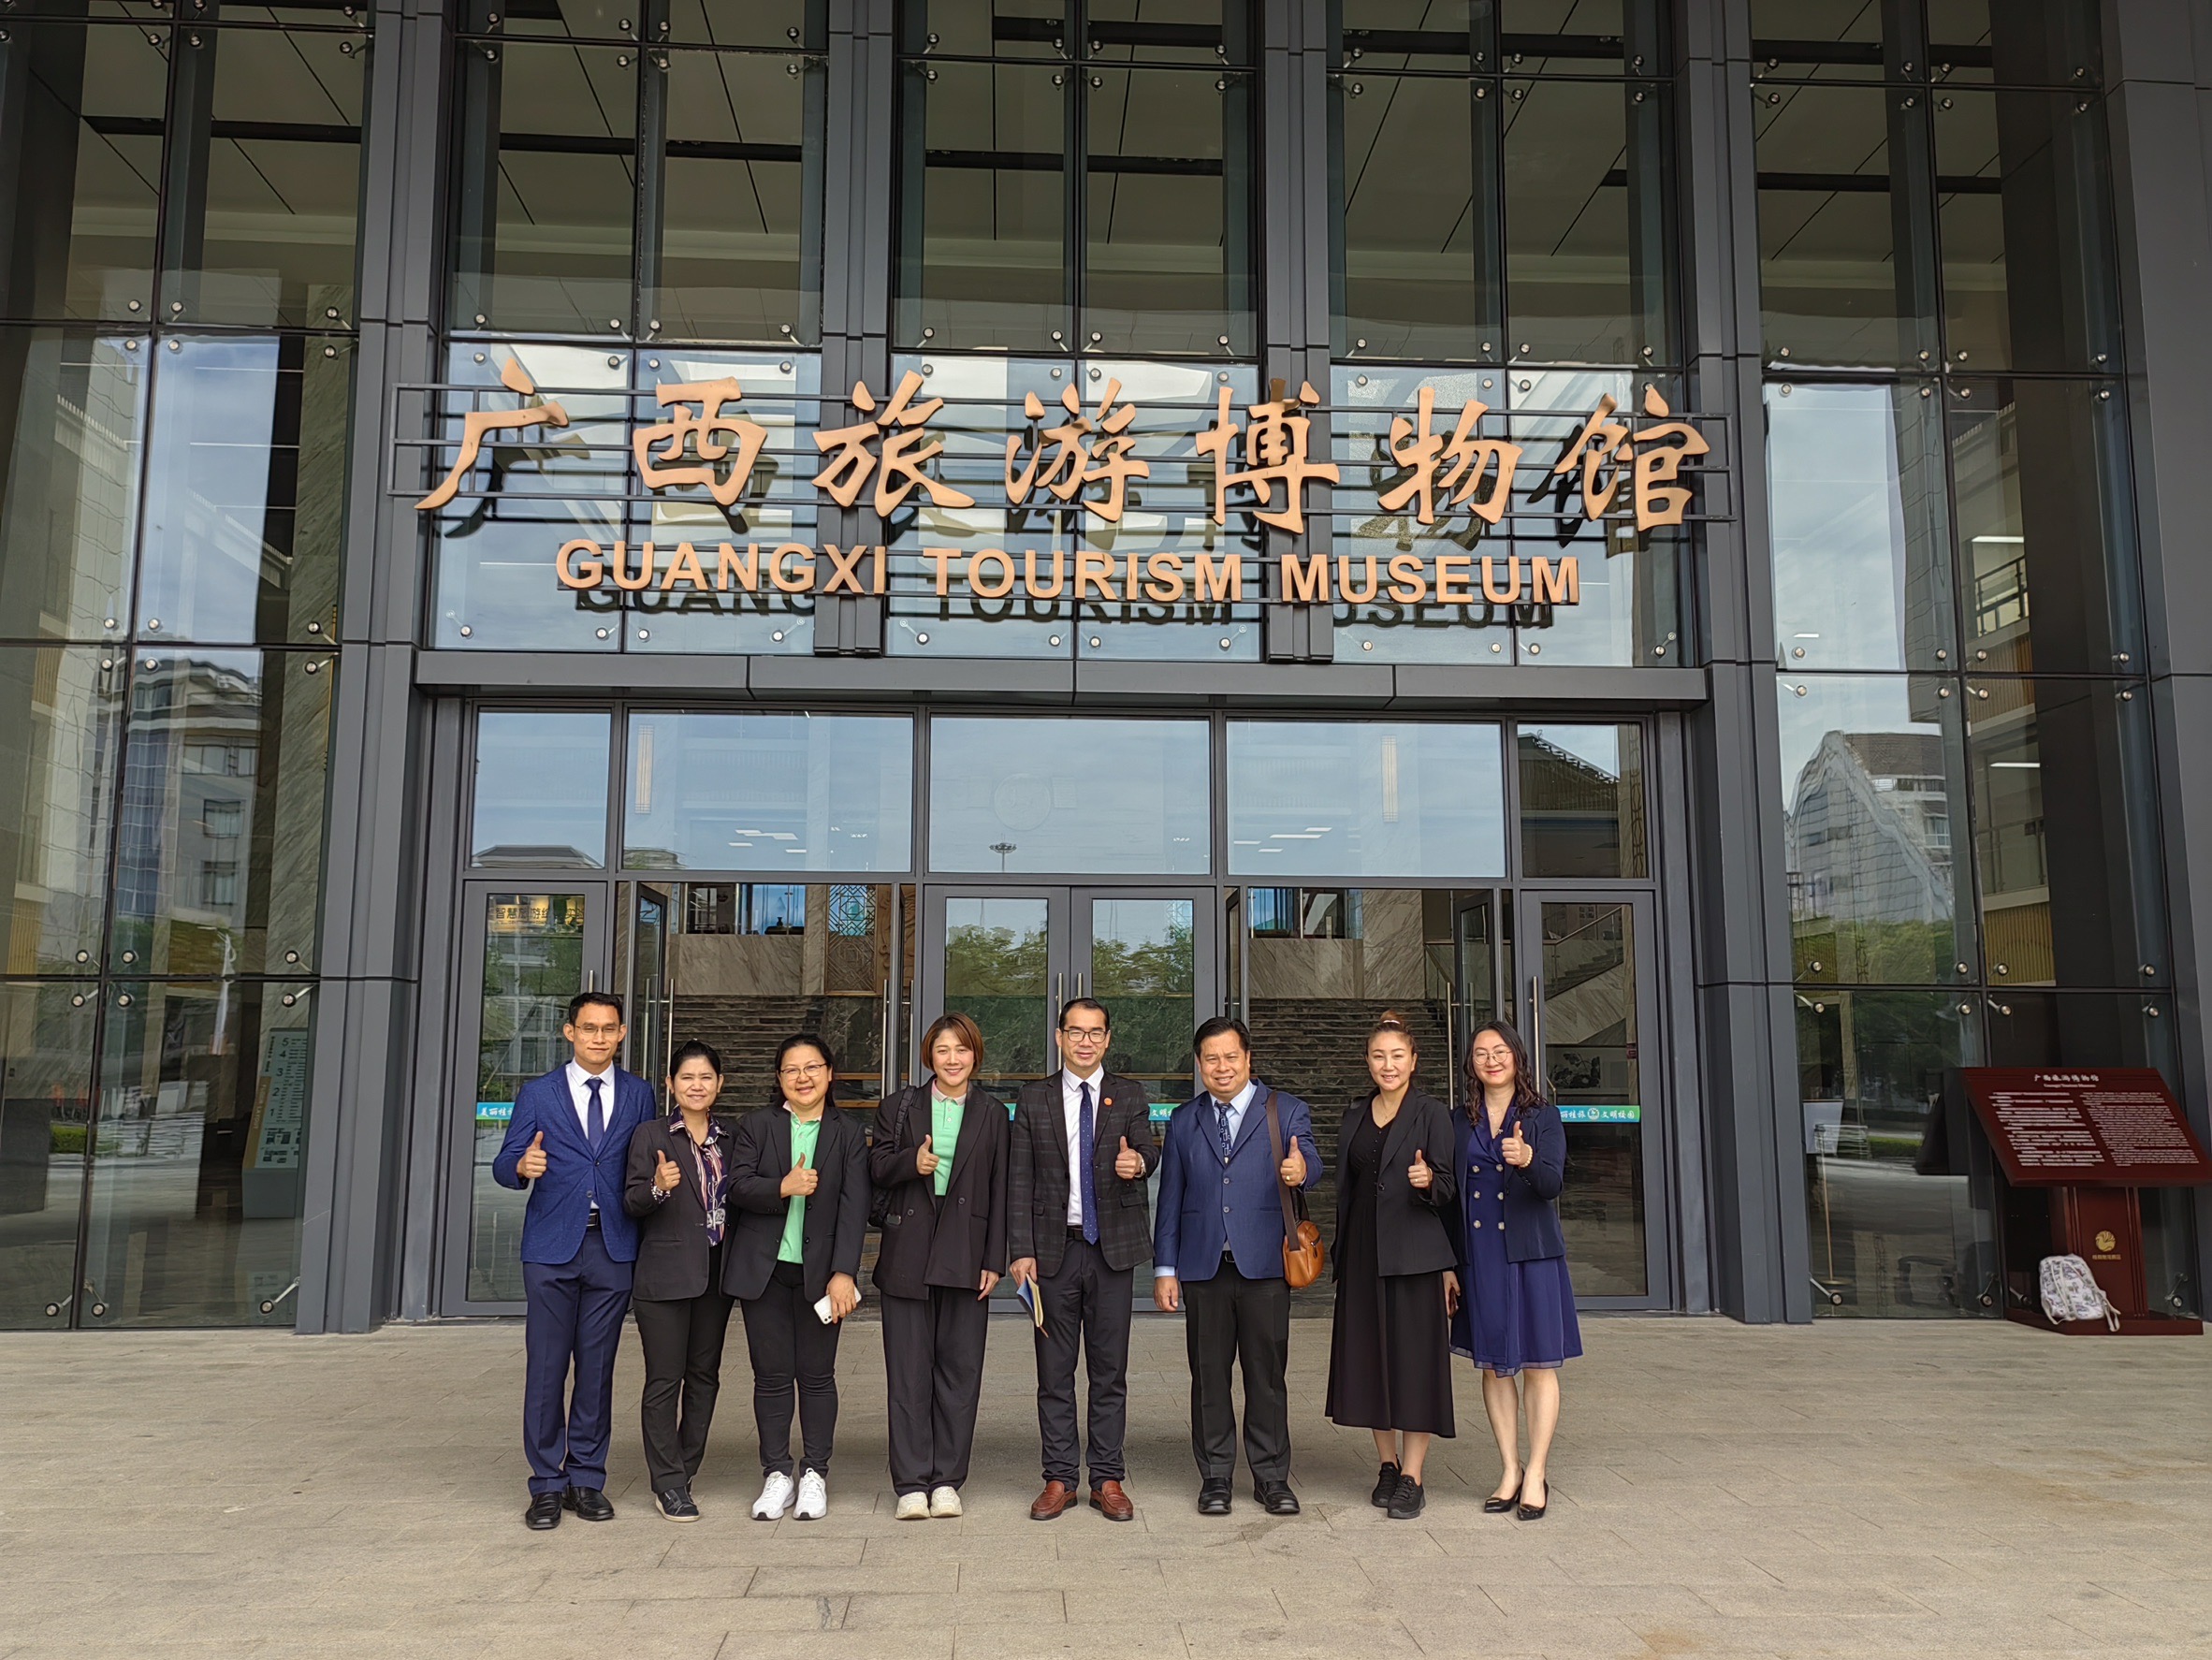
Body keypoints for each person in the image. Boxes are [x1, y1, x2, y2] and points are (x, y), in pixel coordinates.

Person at [490, 990, 657, 1530]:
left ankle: (586, 1478)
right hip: (551, 1250)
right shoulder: (538, 1094)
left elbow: (643, 1163)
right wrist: (522, 1166)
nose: (599, 1038)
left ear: (622, 1033)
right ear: (570, 1032)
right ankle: (546, 1483)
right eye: (589, 1028)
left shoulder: (639, 1094)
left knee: (597, 1368)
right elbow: (503, 1163)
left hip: (613, 1246)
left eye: (609, 1028)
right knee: (546, 1368)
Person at [1154, 1015, 1321, 1518]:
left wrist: (1301, 1170)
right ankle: (1216, 1477)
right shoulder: (1184, 1120)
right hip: (1203, 1268)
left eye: (1231, 1057)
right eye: (1211, 1059)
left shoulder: (1285, 1110)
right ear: (1199, 1064)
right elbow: (1170, 1199)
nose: (1221, 1067)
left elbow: (1312, 1161)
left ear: (1248, 1059)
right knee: (1208, 1376)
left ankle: (1271, 1477)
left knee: (1266, 1376)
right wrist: (1165, 1268)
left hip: (1265, 1265)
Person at [1006, 997, 1158, 1522]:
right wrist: (1020, 1249)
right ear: (1060, 1037)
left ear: (1108, 1039)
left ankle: (1107, 1478)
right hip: (1053, 1253)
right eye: (1076, 1032)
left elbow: (1149, 1149)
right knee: (1054, 1373)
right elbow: (1020, 1177)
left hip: (1112, 1252)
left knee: (1109, 1371)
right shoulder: (1034, 1097)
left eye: (1096, 1033)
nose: (1086, 1041)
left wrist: (1138, 1162)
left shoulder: (1129, 1094)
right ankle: (1059, 1478)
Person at [723, 1033, 869, 1522]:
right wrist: (782, 1187)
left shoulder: (848, 1133)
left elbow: (854, 1208)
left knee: (817, 1375)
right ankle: (776, 1473)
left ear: (829, 1073)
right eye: (791, 1069)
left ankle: (814, 1474)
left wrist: (844, 1272)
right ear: (779, 1077)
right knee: (770, 1377)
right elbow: (736, 1187)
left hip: (822, 1277)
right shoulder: (756, 1125)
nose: (802, 1078)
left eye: (812, 1068)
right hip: (763, 1272)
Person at [869, 1012, 1010, 1521]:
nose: (953, 1059)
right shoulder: (900, 1106)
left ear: (976, 1055)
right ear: (929, 1055)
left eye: (962, 1049)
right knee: (907, 1373)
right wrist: (912, 1162)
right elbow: (875, 1167)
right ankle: (910, 1483)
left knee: (960, 1371)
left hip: (967, 1253)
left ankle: (948, 1479)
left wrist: (995, 1260)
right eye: (943, 1050)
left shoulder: (993, 1112)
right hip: (908, 1250)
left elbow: (1001, 1187)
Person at [1324, 1012, 1459, 1520]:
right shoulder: (1355, 1113)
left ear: (1413, 1060)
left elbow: (1449, 1188)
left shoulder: (1432, 1113)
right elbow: (1347, 1188)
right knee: (1370, 1361)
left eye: (1397, 1056)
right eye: (1379, 1056)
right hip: (1362, 1253)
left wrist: (1428, 1182)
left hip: (1414, 1255)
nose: (1388, 1065)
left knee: (1415, 1364)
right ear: (1367, 1061)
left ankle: (1413, 1476)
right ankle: (1386, 1464)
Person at [1452, 1019, 1580, 1522]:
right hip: (1480, 1254)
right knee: (1493, 1365)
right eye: (1481, 1053)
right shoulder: (1459, 1119)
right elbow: (1450, 1194)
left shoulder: (1543, 1116)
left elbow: (1552, 1184)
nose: (1491, 1060)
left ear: (1517, 1057)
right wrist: (1448, 1265)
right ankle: (1509, 1468)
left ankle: (1536, 1472)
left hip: (1532, 1253)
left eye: (1500, 1051)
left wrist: (1526, 1159)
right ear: (1471, 1064)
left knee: (1538, 1364)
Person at [622, 1040, 735, 1523]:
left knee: (705, 1377)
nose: (696, 1085)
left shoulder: (731, 1137)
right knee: (665, 1380)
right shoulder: (650, 1135)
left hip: (715, 1275)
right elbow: (631, 1201)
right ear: (670, 1084)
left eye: (706, 1077)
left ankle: (684, 1470)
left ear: (719, 1084)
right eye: (687, 1077)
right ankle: (667, 1483)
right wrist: (657, 1187)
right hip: (665, 1278)